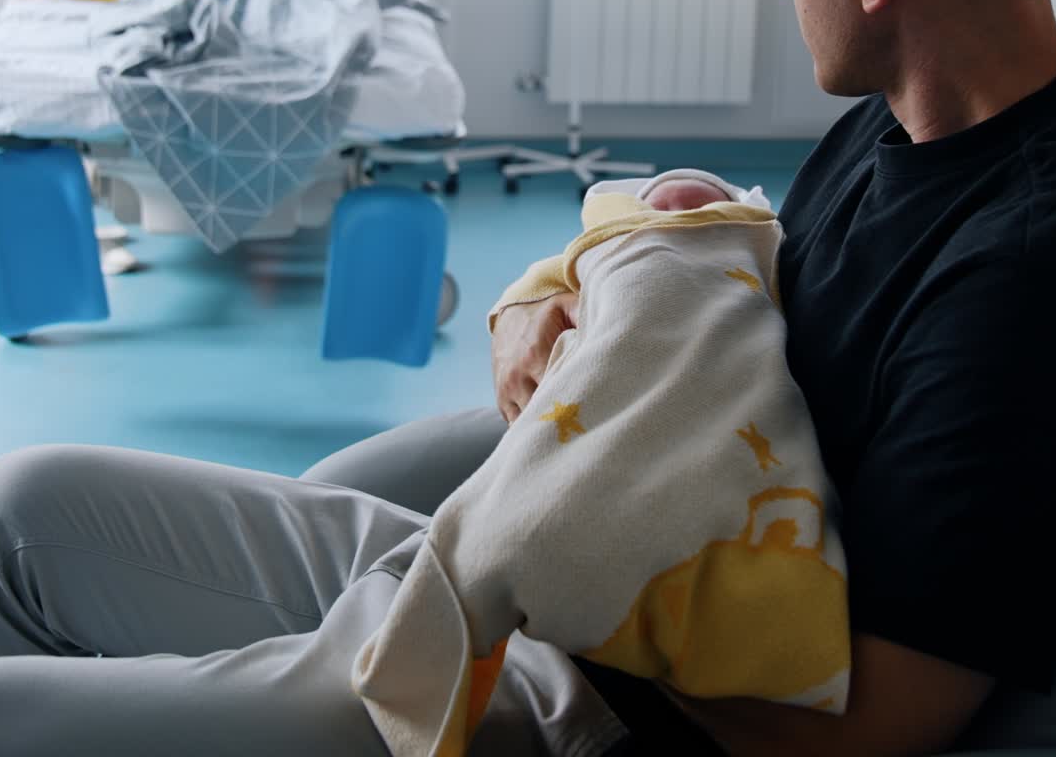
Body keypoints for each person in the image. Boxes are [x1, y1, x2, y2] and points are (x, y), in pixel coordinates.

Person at [0, 0, 1056, 757]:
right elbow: (781, 302)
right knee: (16, 507)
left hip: (587, 695)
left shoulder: (1029, 275)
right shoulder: (903, 124)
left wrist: (556, 567)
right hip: (555, 562)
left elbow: (872, 723)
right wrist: (557, 297)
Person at [353, 168, 849, 756]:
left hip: (617, 683)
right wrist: (523, 303)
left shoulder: (751, 238)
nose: (679, 208)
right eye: (661, 202)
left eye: (701, 201)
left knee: (486, 549)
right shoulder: (857, 142)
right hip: (569, 453)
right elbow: (565, 284)